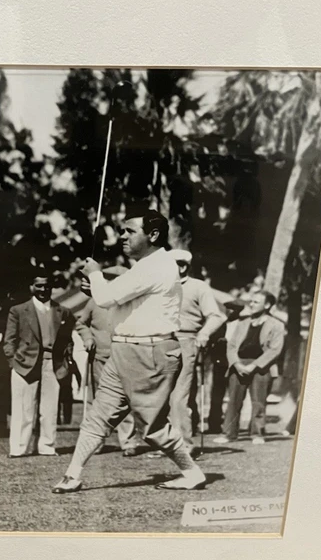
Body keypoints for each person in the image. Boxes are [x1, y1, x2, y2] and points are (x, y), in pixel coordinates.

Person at [52, 209, 207, 493]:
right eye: (123, 230)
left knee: (152, 429)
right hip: (125, 350)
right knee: (97, 416)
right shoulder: (143, 267)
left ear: (154, 235)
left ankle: (192, 472)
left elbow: (106, 297)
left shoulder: (158, 266)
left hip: (150, 352)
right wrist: (96, 286)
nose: (122, 236)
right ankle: (72, 475)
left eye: (130, 231)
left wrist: (96, 275)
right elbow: (118, 304)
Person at [3, 273, 74, 457]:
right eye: (39, 285)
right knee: (23, 409)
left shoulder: (63, 311)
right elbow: (9, 340)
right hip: (24, 364)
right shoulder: (18, 310)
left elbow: (67, 339)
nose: (43, 289)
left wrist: (67, 361)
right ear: (32, 287)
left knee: (50, 408)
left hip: (53, 364)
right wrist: (13, 361)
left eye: (47, 286)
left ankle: (47, 446)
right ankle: (19, 448)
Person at [75, 265, 140, 457]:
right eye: (109, 278)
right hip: (100, 358)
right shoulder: (95, 301)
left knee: (125, 399)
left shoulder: (132, 302)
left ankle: (128, 442)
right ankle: (95, 442)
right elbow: (81, 323)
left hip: (125, 357)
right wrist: (87, 338)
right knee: (97, 401)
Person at [168, 250, 226, 453]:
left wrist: (204, 333)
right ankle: (164, 442)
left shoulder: (198, 287)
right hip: (159, 343)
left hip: (186, 342)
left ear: (183, 266)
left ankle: (183, 445)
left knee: (179, 396)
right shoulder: (159, 287)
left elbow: (216, 317)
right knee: (160, 396)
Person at [218, 290, 285, 445]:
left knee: (258, 402)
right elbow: (232, 346)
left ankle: (257, 434)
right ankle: (228, 434)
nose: (251, 305)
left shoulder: (277, 325)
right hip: (239, 364)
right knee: (233, 401)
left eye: (256, 302)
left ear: (267, 305)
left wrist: (253, 366)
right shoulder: (242, 322)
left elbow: (274, 350)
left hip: (261, 367)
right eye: (251, 301)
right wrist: (237, 364)